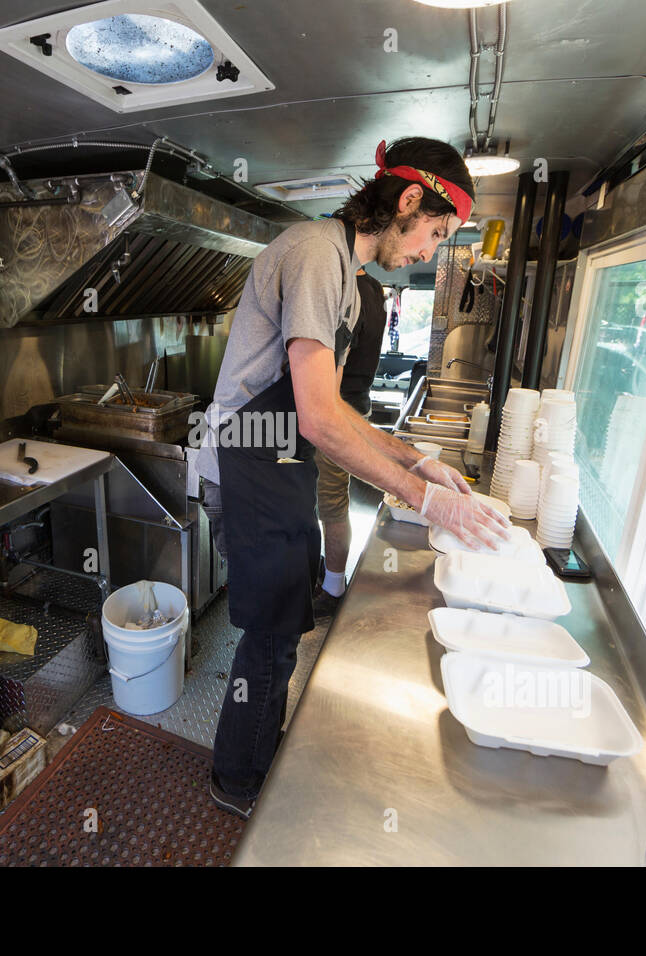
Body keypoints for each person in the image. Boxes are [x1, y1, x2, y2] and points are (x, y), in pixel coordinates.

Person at [196, 137, 511, 819]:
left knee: (288, 619)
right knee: (269, 630)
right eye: (436, 230)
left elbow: (333, 411)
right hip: (245, 458)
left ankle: (258, 758)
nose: (430, 250)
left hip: (278, 463)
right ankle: (237, 781)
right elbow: (315, 417)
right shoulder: (315, 253)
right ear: (407, 201)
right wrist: (423, 499)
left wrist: (413, 459)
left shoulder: (349, 278)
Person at [310, 266, 387, 621]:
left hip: (336, 414)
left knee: (331, 504)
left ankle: (333, 590)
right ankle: (324, 574)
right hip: (354, 407)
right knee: (328, 501)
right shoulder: (373, 288)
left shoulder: (345, 290)